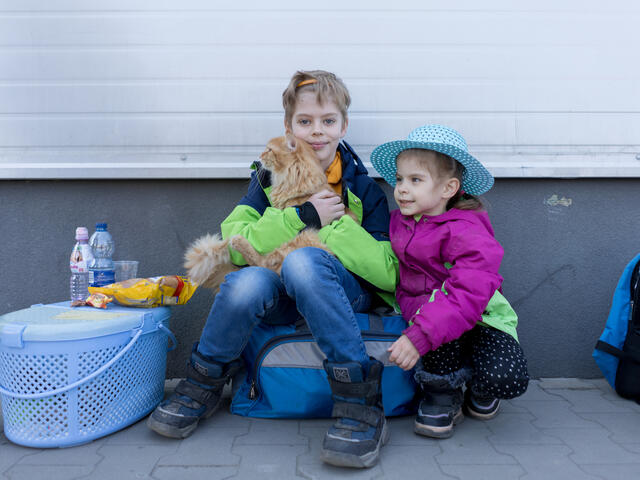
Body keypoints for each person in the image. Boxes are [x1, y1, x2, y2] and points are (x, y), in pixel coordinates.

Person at [147, 70, 397, 468]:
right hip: (280, 291)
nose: (317, 132)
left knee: (303, 262)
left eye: (328, 121)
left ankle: (359, 403)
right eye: (305, 122)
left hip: (340, 293)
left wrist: (332, 227)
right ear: (288, 127)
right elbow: (235, 237)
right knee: (245, 282)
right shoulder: (266, 178)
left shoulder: (363, 189)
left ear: (344, 126)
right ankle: (202, 384)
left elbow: (388, 274)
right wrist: (301, 216)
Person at [370, 124, 529, 439]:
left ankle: (481, 389)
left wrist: (418, 337)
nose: (401, 188)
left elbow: (468, 292)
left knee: (506, 376)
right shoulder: (399, 222)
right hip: (435, 321)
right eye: (400, 179)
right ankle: (442, 392)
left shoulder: (467, 230)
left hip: (482, 320)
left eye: (415, 180)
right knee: (434, 322)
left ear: (448, 188)